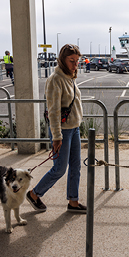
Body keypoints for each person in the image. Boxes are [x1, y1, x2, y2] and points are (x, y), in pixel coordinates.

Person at [26, 44, 86, 213]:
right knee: (59, 169)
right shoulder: (55, 79)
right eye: (71, 61)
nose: (75, 65)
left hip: (74, 129)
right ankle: (34, 194)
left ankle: (73, 202)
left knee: (76, 167)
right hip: (63, 132)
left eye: (77, 61)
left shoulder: (70, 76)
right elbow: (53, 112)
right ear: (62, 60)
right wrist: (57, 136)